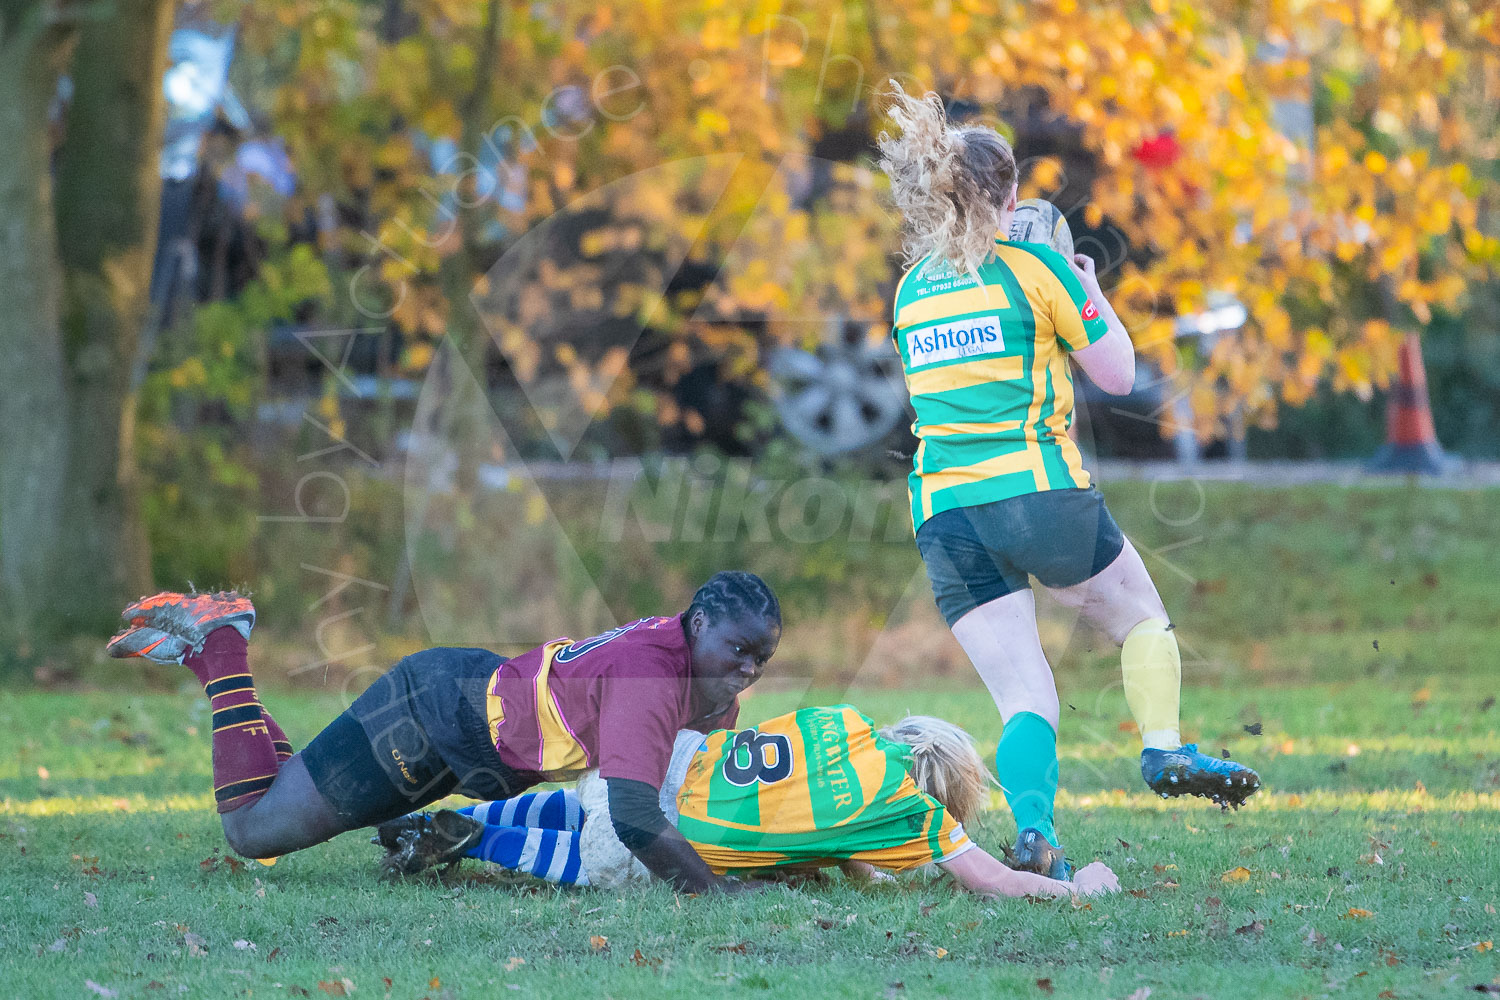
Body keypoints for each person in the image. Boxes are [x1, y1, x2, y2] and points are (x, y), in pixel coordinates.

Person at [874, 86, 1259, 879]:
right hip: (1036, 489)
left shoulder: (914, 288)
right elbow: (1116, 376)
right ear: (1011, 196)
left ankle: (1037, 831)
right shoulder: (1037, 267)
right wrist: (1085, 283)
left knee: (1025, 694)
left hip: (944, 509)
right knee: (1142, 617)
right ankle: (1163, 752)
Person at [105, 571, 782, 893]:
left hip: (461, 718)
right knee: (252, 832)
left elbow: (707, 784)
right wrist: (715, 894)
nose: (748, 669)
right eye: (738, 650)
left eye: (761, 659)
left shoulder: (698, 677)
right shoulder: (652, 676)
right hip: (431, 729)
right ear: (695, 625)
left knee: (282, 795)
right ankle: (220, 648)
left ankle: (209, 647)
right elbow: (634, 817)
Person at [374, 705, 1119, 899]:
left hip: (668, 755)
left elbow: (808, 819)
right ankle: (479, 843)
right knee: (593, 857)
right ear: (950, 793)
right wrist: (1078, 886)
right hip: (681, 834)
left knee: (585, 804)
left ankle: (462, 819)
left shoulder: (847, 723)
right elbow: (997, 880)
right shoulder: (914, 819)